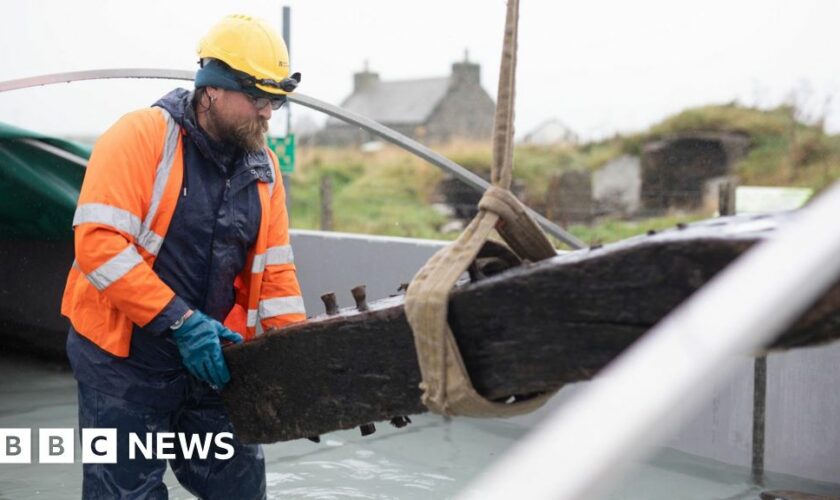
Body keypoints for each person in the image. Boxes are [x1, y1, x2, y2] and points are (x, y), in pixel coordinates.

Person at [61, 13, 306, 499]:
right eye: (257, 97)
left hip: (211, 360)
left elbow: (275, 273)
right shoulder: (140, 137)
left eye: (274, 100)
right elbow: (99, 245)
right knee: (125, 492)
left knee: (238, 489)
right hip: (123, 363)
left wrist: (295, 360)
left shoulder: (265, 169)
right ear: (211, 90)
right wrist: (181, 322)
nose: (267, 113)